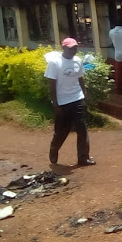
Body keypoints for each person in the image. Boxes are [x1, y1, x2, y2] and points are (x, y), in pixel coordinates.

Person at [44, 37, 95, 166]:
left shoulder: (78, 61)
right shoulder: (55, 63)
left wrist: (84, 93)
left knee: (81, 128)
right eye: (71, 48)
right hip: (62, 101)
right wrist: (55, 104)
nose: (74, 50)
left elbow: (80, 78)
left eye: (75, 47)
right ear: (64, 48)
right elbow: (52, 84)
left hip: (77, 98)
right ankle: (54, 148)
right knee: (62, 130)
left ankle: (83, 158)